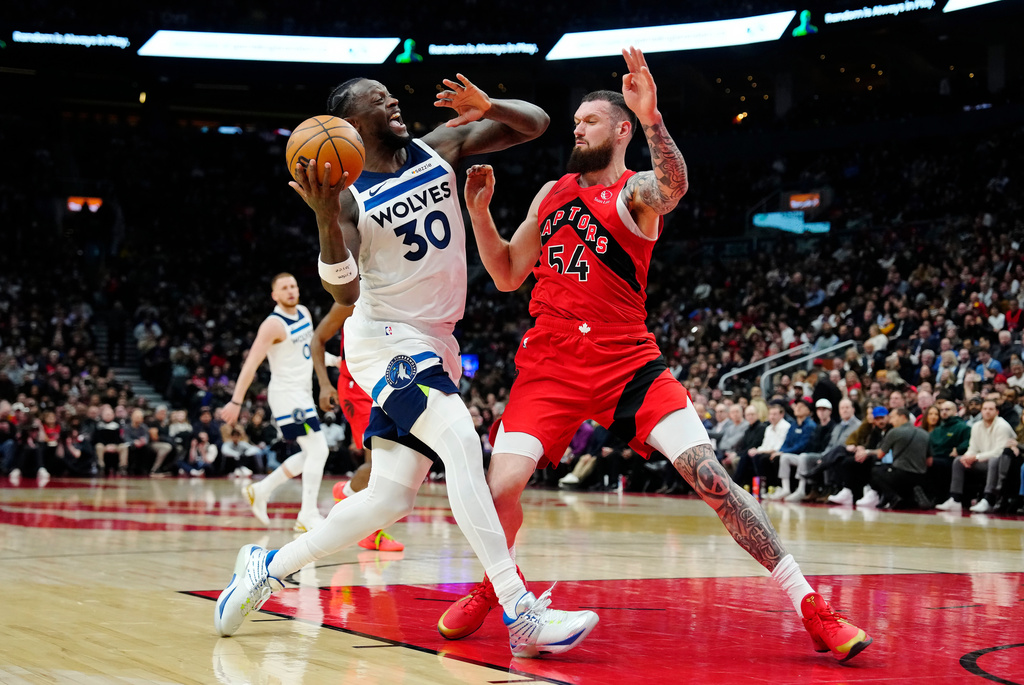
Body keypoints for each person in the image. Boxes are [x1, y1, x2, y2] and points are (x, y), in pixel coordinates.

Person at [437, 47, 870, 662]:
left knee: (711, 475)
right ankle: (498, 591)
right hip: (551, 363)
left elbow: (673, 186)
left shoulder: (632, 193)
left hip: (627, 362)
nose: (577, 128)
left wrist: (653, 119)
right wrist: (479, 214)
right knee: (498, 488)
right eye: (576, 120)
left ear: (618, 130)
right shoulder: (550, 193)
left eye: (590, 120)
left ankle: (813, 606)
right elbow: (507, 273)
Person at [215, 72, 599, 658]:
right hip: (388, 340)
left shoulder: (438, 146)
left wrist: (488, 104)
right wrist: (322, 214)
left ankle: (268, 567)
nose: (393, 101)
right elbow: (341, 295)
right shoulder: (345, 197)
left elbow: (537, 124)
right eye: (377, 99)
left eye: (390, 94)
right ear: (349, 125)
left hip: (437, 339)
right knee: (463, 445)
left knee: (389, 500)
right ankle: (519, 611)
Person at [223, 273, 332, 533]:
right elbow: (251, 365)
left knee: (310, 453)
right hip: (286, 394)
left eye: (293, 285)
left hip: (303, 393)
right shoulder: (272, 325)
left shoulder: (304, 312)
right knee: (319, 450)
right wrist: (236, 401)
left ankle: (261, 490)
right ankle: (307, 513)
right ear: (275, 295)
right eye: (284, 288)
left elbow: (307, 352)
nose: (291, 291)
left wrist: (334, 361)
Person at [312, 302, 403, 552]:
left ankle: (348, 491)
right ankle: (368, 532)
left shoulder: (397, 293)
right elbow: (317, 339)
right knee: (378, 464)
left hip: (387, 384)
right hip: (356, 387)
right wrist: (324, 384)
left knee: (395, 463)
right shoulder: (350, 299)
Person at [935, 399, 1017, 513]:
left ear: (997, 412)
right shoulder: (976, 426)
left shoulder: (1002, 426)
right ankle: (955, 499)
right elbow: (972, 448)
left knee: (994, 460)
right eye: (985, 409)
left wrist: (975, 457)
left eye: (991, 409)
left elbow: (999, 451)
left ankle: (988, 499)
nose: (987, 412)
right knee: (958, 460)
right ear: (981, 411)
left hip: (1001, 463)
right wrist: (967, 457)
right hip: (982, 460)